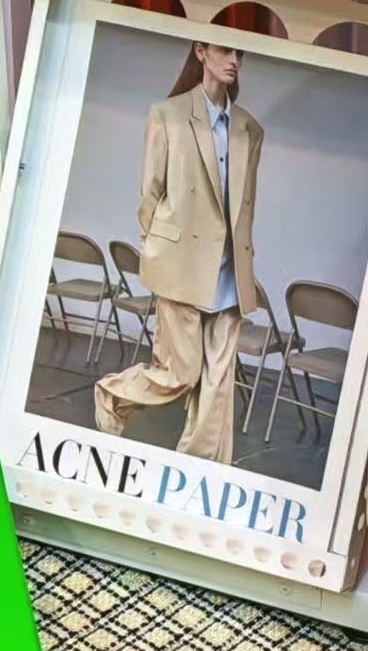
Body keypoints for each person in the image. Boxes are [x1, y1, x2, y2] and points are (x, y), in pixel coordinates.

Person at [94, 43, 262, 466]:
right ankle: (113, 394)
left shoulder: (249, 129)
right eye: (225, 50)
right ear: (201, 51)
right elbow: (149, 195)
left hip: (229, 269)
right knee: (180, 373)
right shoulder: (167, 114)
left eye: (240, 53)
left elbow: (245, 207)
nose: (235, 61)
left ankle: (199, 468)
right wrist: (157, 249)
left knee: (218, 383)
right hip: (181, 265)